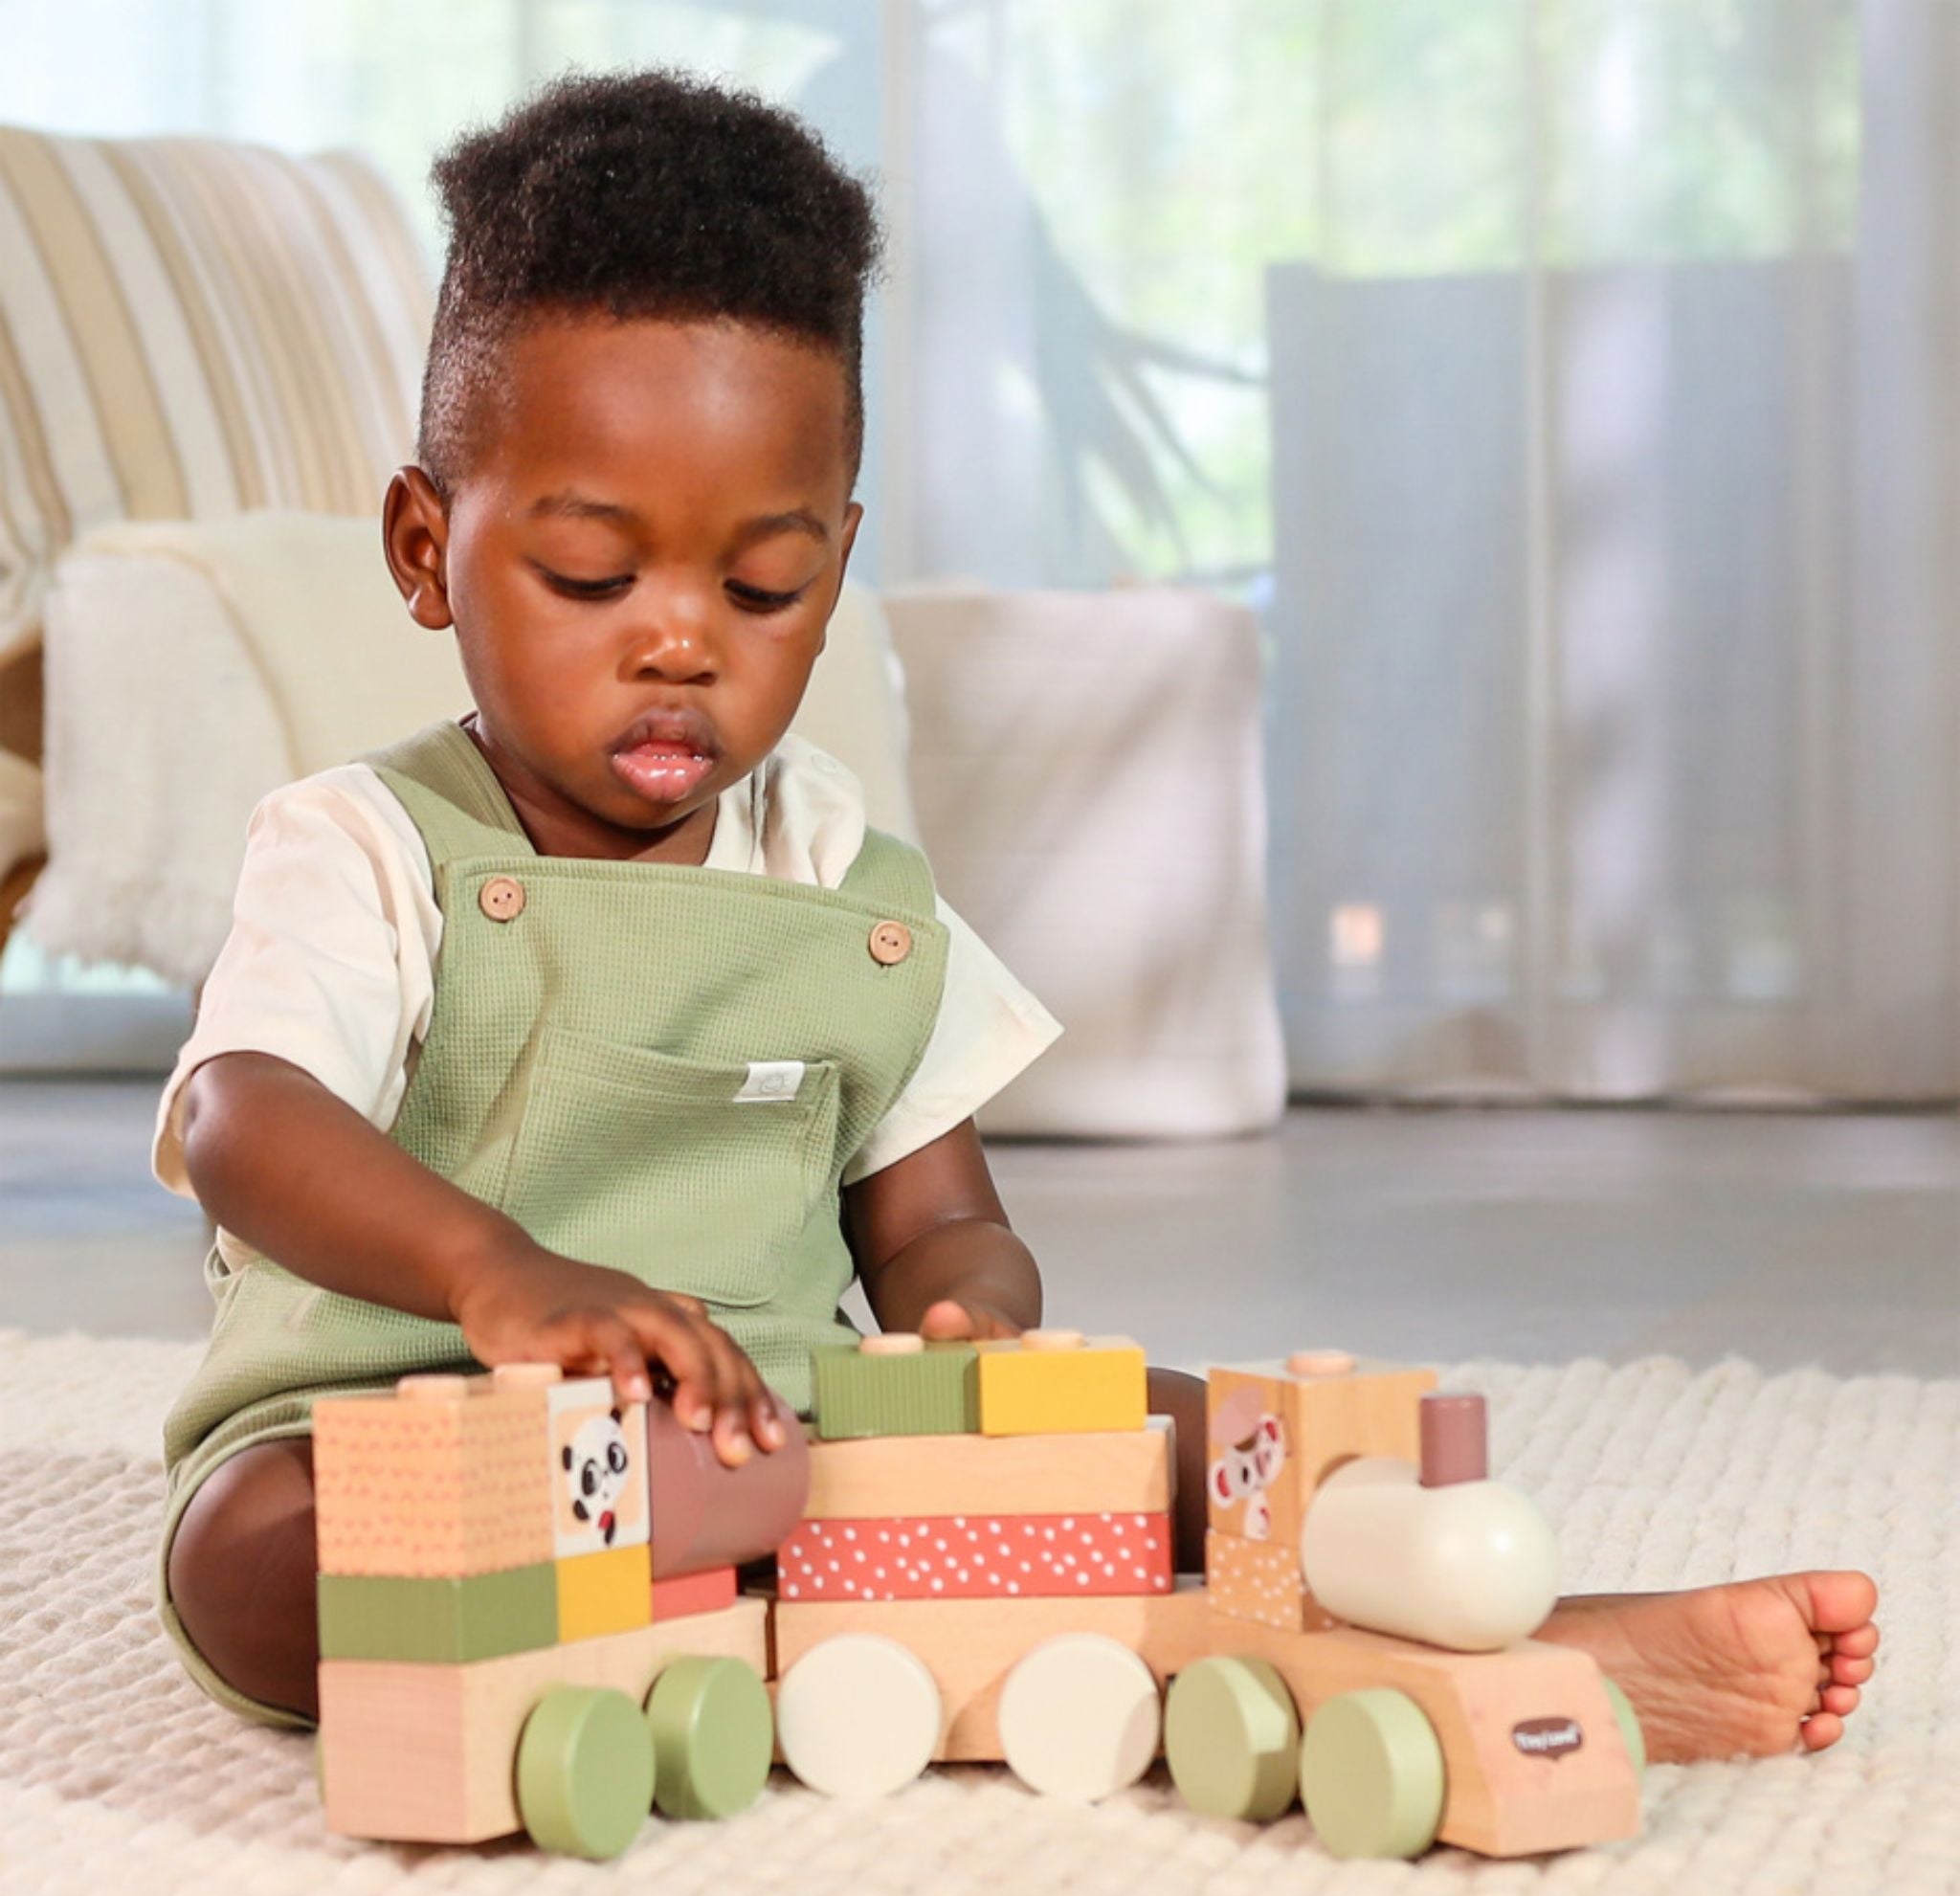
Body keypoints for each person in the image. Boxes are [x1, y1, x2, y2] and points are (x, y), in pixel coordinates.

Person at [158, 69, 1877, 1767]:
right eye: (594, 577)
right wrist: (501, 1274)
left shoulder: (840, 879)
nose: (680, 639)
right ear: (421, 544)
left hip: (783, 1437)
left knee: (1185, 1435)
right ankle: (912, 1621)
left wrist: (970, 1306)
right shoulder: (362, 844)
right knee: (260, 1558)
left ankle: (1511, 1641)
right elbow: (243, 1115)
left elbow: (934, 1225)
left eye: (761, 587)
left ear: (833, 568)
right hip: (409, 1427)